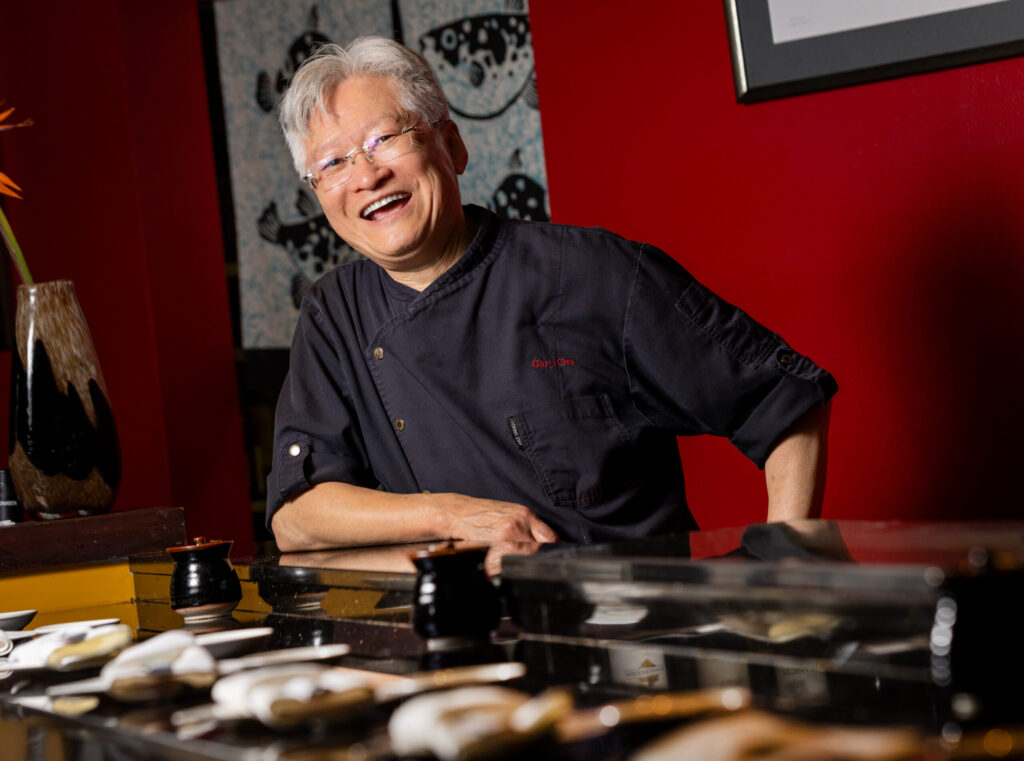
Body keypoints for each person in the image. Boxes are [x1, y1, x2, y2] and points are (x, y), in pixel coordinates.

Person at [266, 37, 837, 553]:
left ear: (452, 146)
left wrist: (783, 569)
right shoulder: (333, 314)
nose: (366, 176)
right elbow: (298, 516)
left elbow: (784, 401)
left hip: (627, 621)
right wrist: (450, 515)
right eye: (332, 163)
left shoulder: (593, 274)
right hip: (456, 626)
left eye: (384, 140)